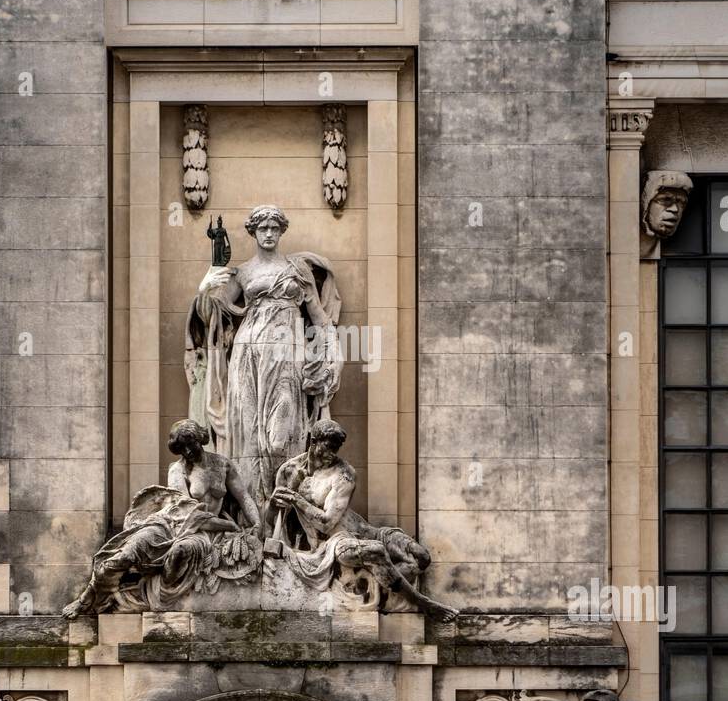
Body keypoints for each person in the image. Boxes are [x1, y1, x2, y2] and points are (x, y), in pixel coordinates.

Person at [186, 205, 343, 515]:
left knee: (279, 436)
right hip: (248, 351)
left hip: (287, 352)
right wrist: (208, 281)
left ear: (281, 231)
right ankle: (252, 516)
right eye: (263, 228)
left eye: (274, 227)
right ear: (254, 233)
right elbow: (214, 311)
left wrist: (334, 351)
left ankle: (284, 515)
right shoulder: (243, 273)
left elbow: (319, 318)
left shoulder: (297, 271)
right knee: (246, 431)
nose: (269, 233)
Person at [63, 420, 261, 617]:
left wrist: (257, 523)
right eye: (181, 448)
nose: (188, 452)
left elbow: (243, 496)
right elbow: (187, 513)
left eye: (190, 445)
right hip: (171, 525)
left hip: (199, 533)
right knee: (124, 554)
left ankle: (152, 594)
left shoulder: (222, 464)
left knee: (181, 550)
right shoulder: (178, 469)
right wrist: (228, 525)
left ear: (200, 439)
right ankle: (87, 597)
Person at [268, 419, 457, 621]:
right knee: (376, 551)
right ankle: (424, 603)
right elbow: (276, 519)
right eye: (329, 447)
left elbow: (326, 521)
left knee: (421, 557)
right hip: (336, 542)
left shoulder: (344, 473)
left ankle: (379, 589)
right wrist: (273, 506)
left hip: (368, 532)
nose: (333, 454)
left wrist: (296, 500)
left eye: (336, 449)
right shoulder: (289, 472)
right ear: (313, 441)